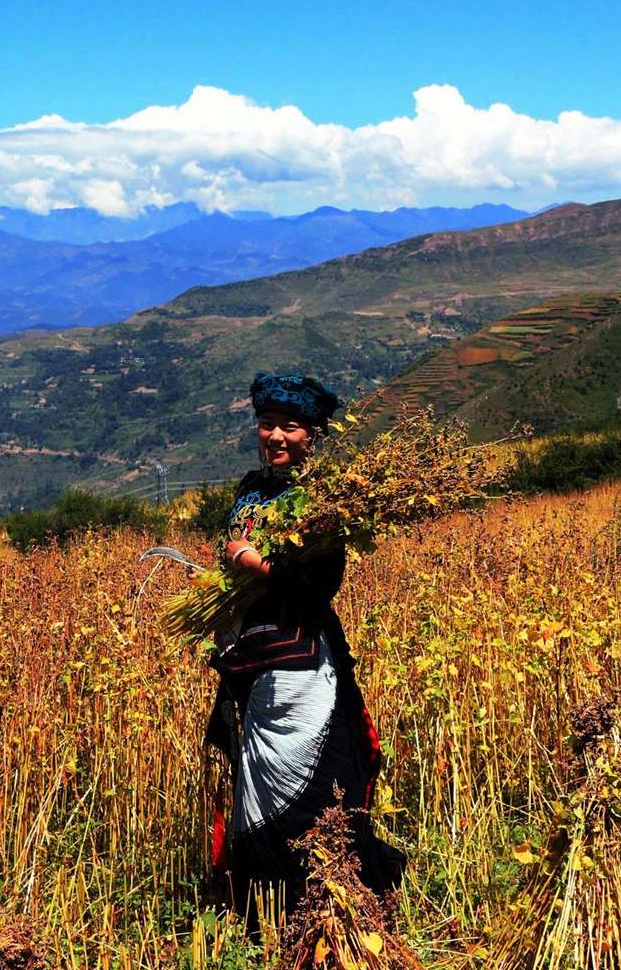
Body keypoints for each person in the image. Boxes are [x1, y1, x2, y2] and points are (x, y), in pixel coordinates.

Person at [204, 372, 404, 922]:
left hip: (302, 663)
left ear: (312, 435)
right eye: (266, 423)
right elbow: (231, 552)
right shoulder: (251, 487)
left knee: (315, 786)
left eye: (289, 426)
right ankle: (264, 913)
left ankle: (329, 910)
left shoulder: (323, 501)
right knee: (258, 788)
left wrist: (253, 563)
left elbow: (318, 585)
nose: (275, 436)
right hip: (253, 666)